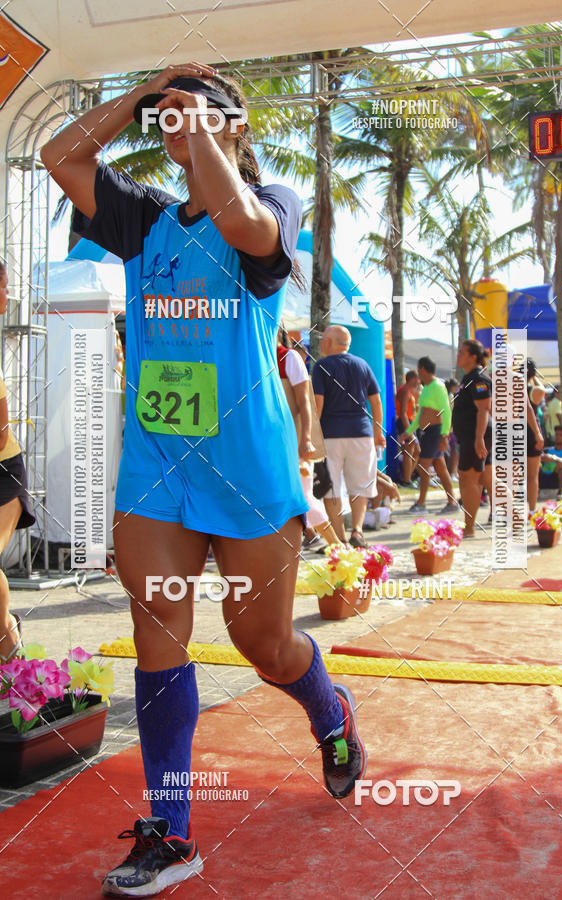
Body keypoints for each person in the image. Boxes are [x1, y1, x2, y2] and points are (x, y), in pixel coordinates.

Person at [41, 66, 366, 897]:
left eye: (196, 111)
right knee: (159, 636)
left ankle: (330, 713)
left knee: (263, 645)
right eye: (167, 116)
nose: (175, 122)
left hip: (249, 471)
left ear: (236, 123)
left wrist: (206, 135)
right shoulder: (144, 215)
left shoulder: (277, 200)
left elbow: (248, 229)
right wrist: (146, 91)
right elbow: (61, 154)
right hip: (156, 467)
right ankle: (171, 831)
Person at [311, 324, 385, 548]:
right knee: (360, 485)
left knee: (331, 486)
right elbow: (376, 401)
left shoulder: (322, 366)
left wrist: (311, 436)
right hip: (361, 434)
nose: (322, 343)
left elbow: (318, 405)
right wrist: (378, 433)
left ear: (329, 342)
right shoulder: (362, 365)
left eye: (323, 339)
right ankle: (358, 531)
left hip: (331, 435)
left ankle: (339, 539)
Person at [0, 262, 36, 663]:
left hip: (4, 472)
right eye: (4, 287)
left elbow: (1, 432)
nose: (8, 296)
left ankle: (10, 645)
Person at [277, 328, 338, 549]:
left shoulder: (289, 357)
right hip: (267, 443)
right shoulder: (253, 357)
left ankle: (338, 547)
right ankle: (311, 538)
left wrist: (305, 440)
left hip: (293, 441)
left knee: (303, 496)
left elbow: (305, 402)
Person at [398, 356, 458, 514]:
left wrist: (445, 435)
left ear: (423, 369)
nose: (418, 374)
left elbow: (446, 411)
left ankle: (421, 503)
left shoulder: (438, 386)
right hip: (426, 432)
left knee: (423, 467)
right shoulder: (427, 388)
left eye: (419, 370)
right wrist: (409, 431)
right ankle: (452, 502)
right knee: (440, 467)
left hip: (435, 432)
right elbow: (420, 414)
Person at [451, 340, 492, 537]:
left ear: (473, 357)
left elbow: (484, 409)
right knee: (477, 478)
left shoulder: (478, 378)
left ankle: (469, 527)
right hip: (469, 435)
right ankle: (471, 524)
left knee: (470, 479)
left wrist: (478, 439)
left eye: (462, 352)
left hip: (475, 435)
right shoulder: (468, 377)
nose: (458, 355)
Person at [526, 358, 546, 514]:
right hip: (532, 433)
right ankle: (532, 510)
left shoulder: (510, 389)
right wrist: (534, 377)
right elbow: (542, 389)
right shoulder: (533, 391)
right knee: (532, 476)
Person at [395, 370, 420, 486]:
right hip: (405, 422)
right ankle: (406, 480)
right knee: (409, 451)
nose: (419, 382)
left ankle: (407, 477)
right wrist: (408, 431)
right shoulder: (405, 391)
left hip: (410, 422)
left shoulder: (409, 391)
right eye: (418, 379)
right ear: (413, 379)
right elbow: (403, 413)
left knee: (416, 451)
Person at [539, 425, 562, 500]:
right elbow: (540, 457)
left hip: (555, 479)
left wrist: (553, 458)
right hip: (542, 477)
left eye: (561, 435)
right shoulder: (547, 450)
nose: (558, 437)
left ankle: (560, 493)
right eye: (556, 434)